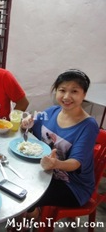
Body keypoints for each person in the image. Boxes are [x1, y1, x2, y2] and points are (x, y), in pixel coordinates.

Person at [21, 69, 99, 225]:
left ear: (84, 95)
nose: (66, 97)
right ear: (56, 91)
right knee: (16, 181)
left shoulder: (88, 125)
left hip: (72, 186)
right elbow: (33, 119)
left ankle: (31, 219)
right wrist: (27, 121)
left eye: (74, 91)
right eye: (62, 90)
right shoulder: (51, 111)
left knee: (25, 196)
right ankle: (31, 214)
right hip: (46, 172)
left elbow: (75, 163)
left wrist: (56, 164)